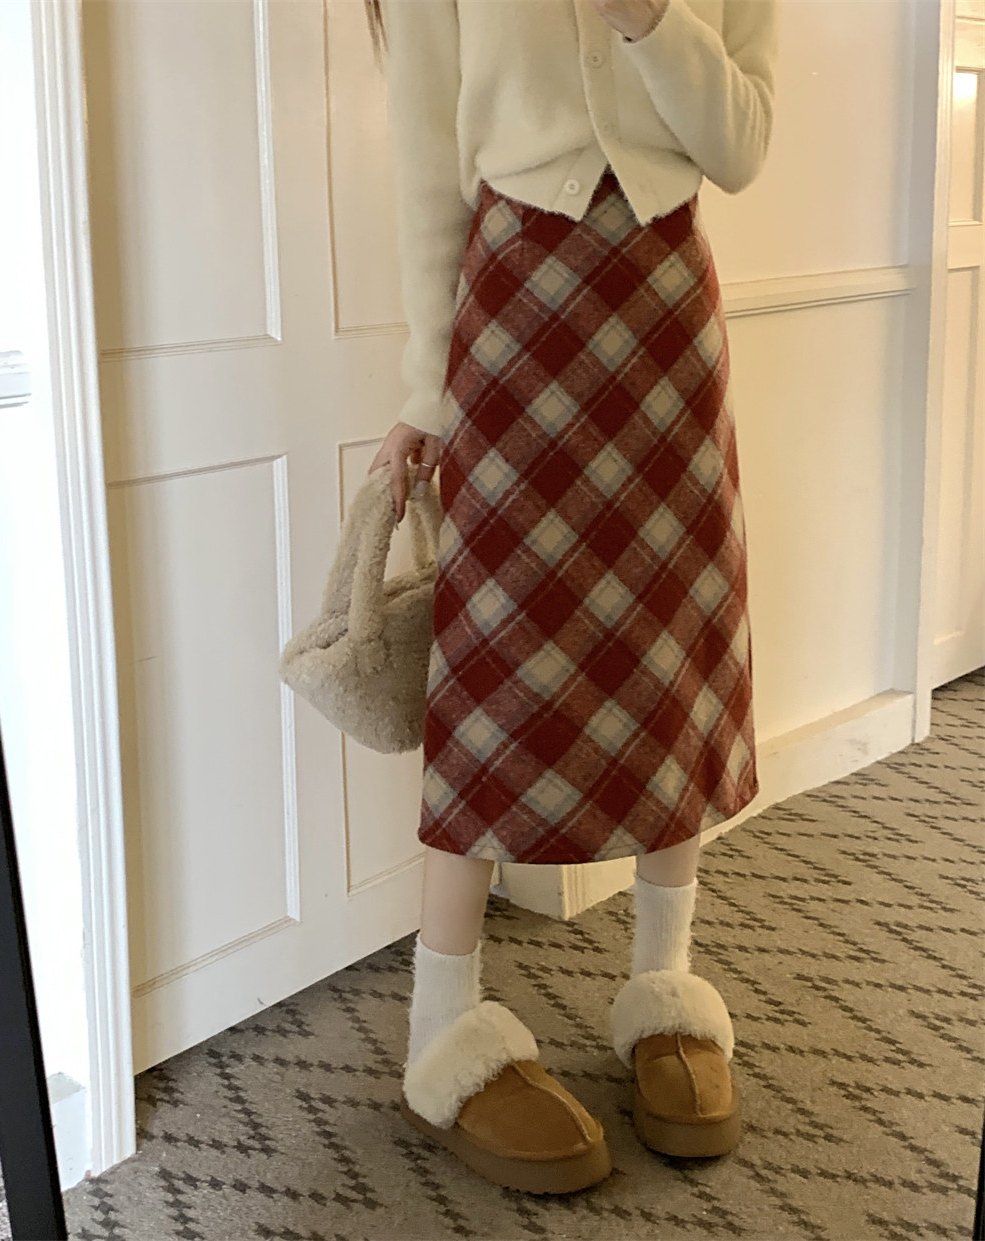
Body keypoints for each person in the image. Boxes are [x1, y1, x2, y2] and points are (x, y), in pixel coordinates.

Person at [364, 0, 778, 1195]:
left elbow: (742, 143)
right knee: (492, 670)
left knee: (674, 649)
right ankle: (442, 1026)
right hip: (512, 313)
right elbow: (427, 158)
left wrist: (648, 17)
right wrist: (426, 389)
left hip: (667, 312)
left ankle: (664, 982)